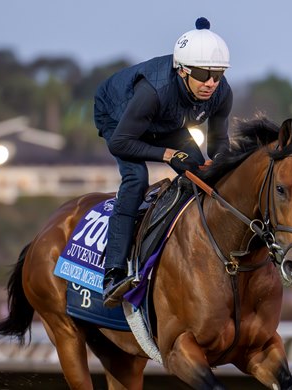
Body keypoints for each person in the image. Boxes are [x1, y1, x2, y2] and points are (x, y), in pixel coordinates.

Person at [94, 17, 233, 307]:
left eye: (217, 74)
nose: (210, 83)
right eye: (202, 73)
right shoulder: (153, 91)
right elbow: (121, 142)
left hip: (168, 123)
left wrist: (222, 167)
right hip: (120, 121)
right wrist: (167, 155)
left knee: (201, 176)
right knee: (136, 180)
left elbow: (219, 144)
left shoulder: (221, 93)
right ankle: (113, 273)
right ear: (182, 71)